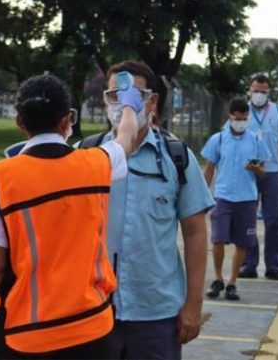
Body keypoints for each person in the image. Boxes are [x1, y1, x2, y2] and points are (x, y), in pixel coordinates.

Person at [0, 74, 142, 360]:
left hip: (27, 339)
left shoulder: (3, 178)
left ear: (19, 122)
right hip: (92, 331)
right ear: (68, 120)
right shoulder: (96, 164)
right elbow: (126, 137)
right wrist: (128, 105)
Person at [86, 60, 214, 360]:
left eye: (133, 98)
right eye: (115, 96)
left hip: (156, 313)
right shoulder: (87, 156)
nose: (122, 106)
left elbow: (196, 233)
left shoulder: (177, 158)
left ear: (152, 101)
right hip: (94, 309)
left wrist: (193, 305)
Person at [201, 99, 270, 301]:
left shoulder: (256, 140)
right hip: (223, 196)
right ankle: (218, 278)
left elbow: (263, 171)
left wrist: (256, 168)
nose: (240, 122)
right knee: (218, 238)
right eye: (237, 119)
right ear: (229, 117)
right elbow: (209, 167)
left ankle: (232, 282)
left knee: (242, 241)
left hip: (247, 198)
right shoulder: (218, 140)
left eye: (244, 119)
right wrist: (203, 194)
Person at [239, 74, 278, 280]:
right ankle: (248, 264)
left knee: (274, 220)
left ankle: (274, 266)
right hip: (248, 173)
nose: (259, 95)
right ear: (249, 90)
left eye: (263, 91)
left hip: (271, 173)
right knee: (247, 219)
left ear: (269, 92)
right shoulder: (242, 112)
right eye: (256, 90)